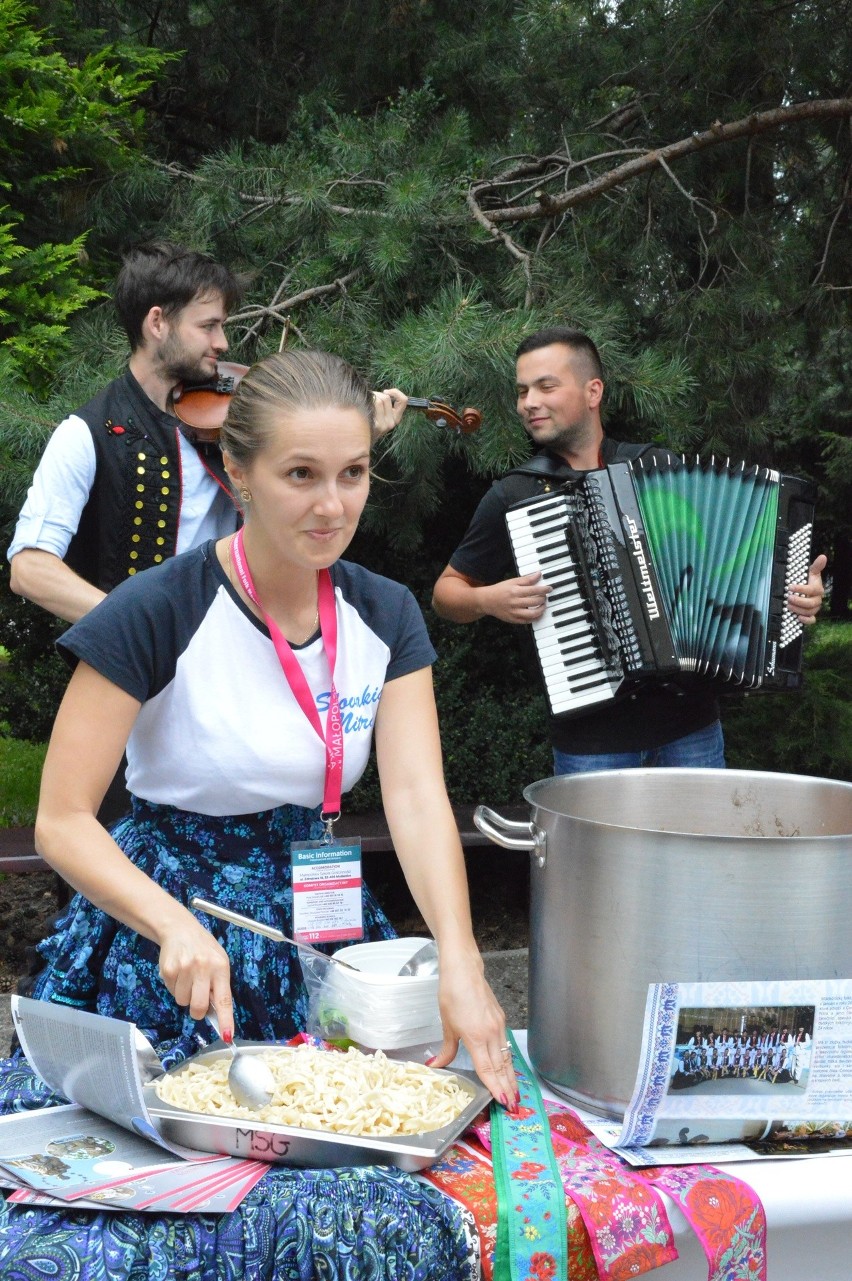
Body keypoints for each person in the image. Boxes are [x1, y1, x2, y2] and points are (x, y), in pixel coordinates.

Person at [0, 349, 516, 1278]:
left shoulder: (387, 612)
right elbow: (62, 819)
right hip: (168, 932)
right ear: (237, 474)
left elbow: (413, 795)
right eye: (301, 475)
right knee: (137, 1228)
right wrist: (167, 921)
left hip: (321, 926)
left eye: (353, 473)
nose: (332, 505)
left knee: (381, 1199)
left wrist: (463, 960)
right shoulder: (156, 607)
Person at [432, 327, 827, 773]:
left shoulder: (657, 469)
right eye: (522, 391)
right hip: (592, 744)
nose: (529, 402)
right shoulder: (515, 495)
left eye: (546, 386)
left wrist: (792, 598)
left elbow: (735, 565)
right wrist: (487, 599)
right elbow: (446, 593)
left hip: (691, 732)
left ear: (592, 390)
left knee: (695, 845)